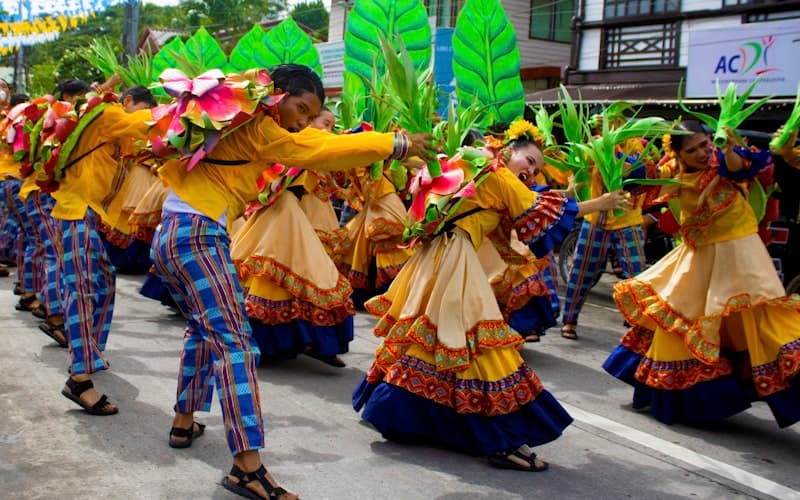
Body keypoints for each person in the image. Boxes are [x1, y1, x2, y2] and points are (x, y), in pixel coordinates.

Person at [149, 63, 433, 500]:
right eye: (300, 108)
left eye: (309, 114)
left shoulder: (242, 120)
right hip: (197, 237)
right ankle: (247, 468)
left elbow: (314, 141)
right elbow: (315, 149)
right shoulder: (260, 126)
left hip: (172, 235)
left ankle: (183, 422)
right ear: (277, 93)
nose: (301, 120)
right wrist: (394, 143)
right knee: (237, 345)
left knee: (204, 332)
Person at [353, 124, 628, 471]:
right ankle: (502, 439)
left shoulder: (460, 162)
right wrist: (600, 203)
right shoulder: (496, 174)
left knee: (432, 340)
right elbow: (543, 217)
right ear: (508, 149)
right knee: (478, 346)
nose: (530, 171)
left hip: (431, 259)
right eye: (528, 160)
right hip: (455, 262)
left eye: (536, 169)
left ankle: (396, 413)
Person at [603, 120, 800, 427]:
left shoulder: (725, 161)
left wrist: (725, 147)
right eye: (692, 149)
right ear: (679, 155)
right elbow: (640, 183)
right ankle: (682, 399)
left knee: (762, 321)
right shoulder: (674, 176)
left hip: (742, 256)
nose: (701, 153)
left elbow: (738, 168)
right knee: (682, 322)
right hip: (699, 258)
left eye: (704, 145)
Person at [53, 75, 154, 416]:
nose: (147, 113)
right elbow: (144, 125)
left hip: (87, 213)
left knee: (103, 282)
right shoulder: (109, 114)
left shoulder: (112, 123)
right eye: (144, 107)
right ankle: (78, 378)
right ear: (127, 102)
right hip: (73, 210)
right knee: (81, 289)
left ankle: (90, 352)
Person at [560, 117, 649, 340]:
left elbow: (638, 174)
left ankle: (639, 324)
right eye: (605, 124)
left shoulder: (634, 144)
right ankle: (569, 321)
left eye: (618, 122)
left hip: (628, 220)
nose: (613, 127)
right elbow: (579, 173)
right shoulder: (592, 146)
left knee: (636, 276)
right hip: (595, 221)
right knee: (581, 272)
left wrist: (613, 154)